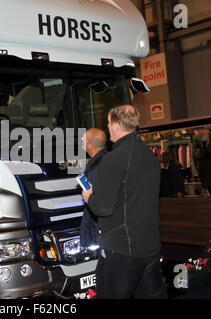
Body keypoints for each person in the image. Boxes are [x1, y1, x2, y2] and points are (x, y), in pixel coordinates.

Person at [82, 104, 167, 299]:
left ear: (118, 125)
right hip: (150, 245)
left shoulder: (113, 159)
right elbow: (134, 194)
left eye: (109, 122)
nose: (107, 127)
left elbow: (102, 207)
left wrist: (89, 196)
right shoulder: (150, 156)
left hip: (121, 250)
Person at [79, 128, 108, 250]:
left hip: (99, 230)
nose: (81, 139)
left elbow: (97, 203)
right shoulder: (110, 159)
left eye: (84, 138)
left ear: (90, 144)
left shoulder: (95, 167)